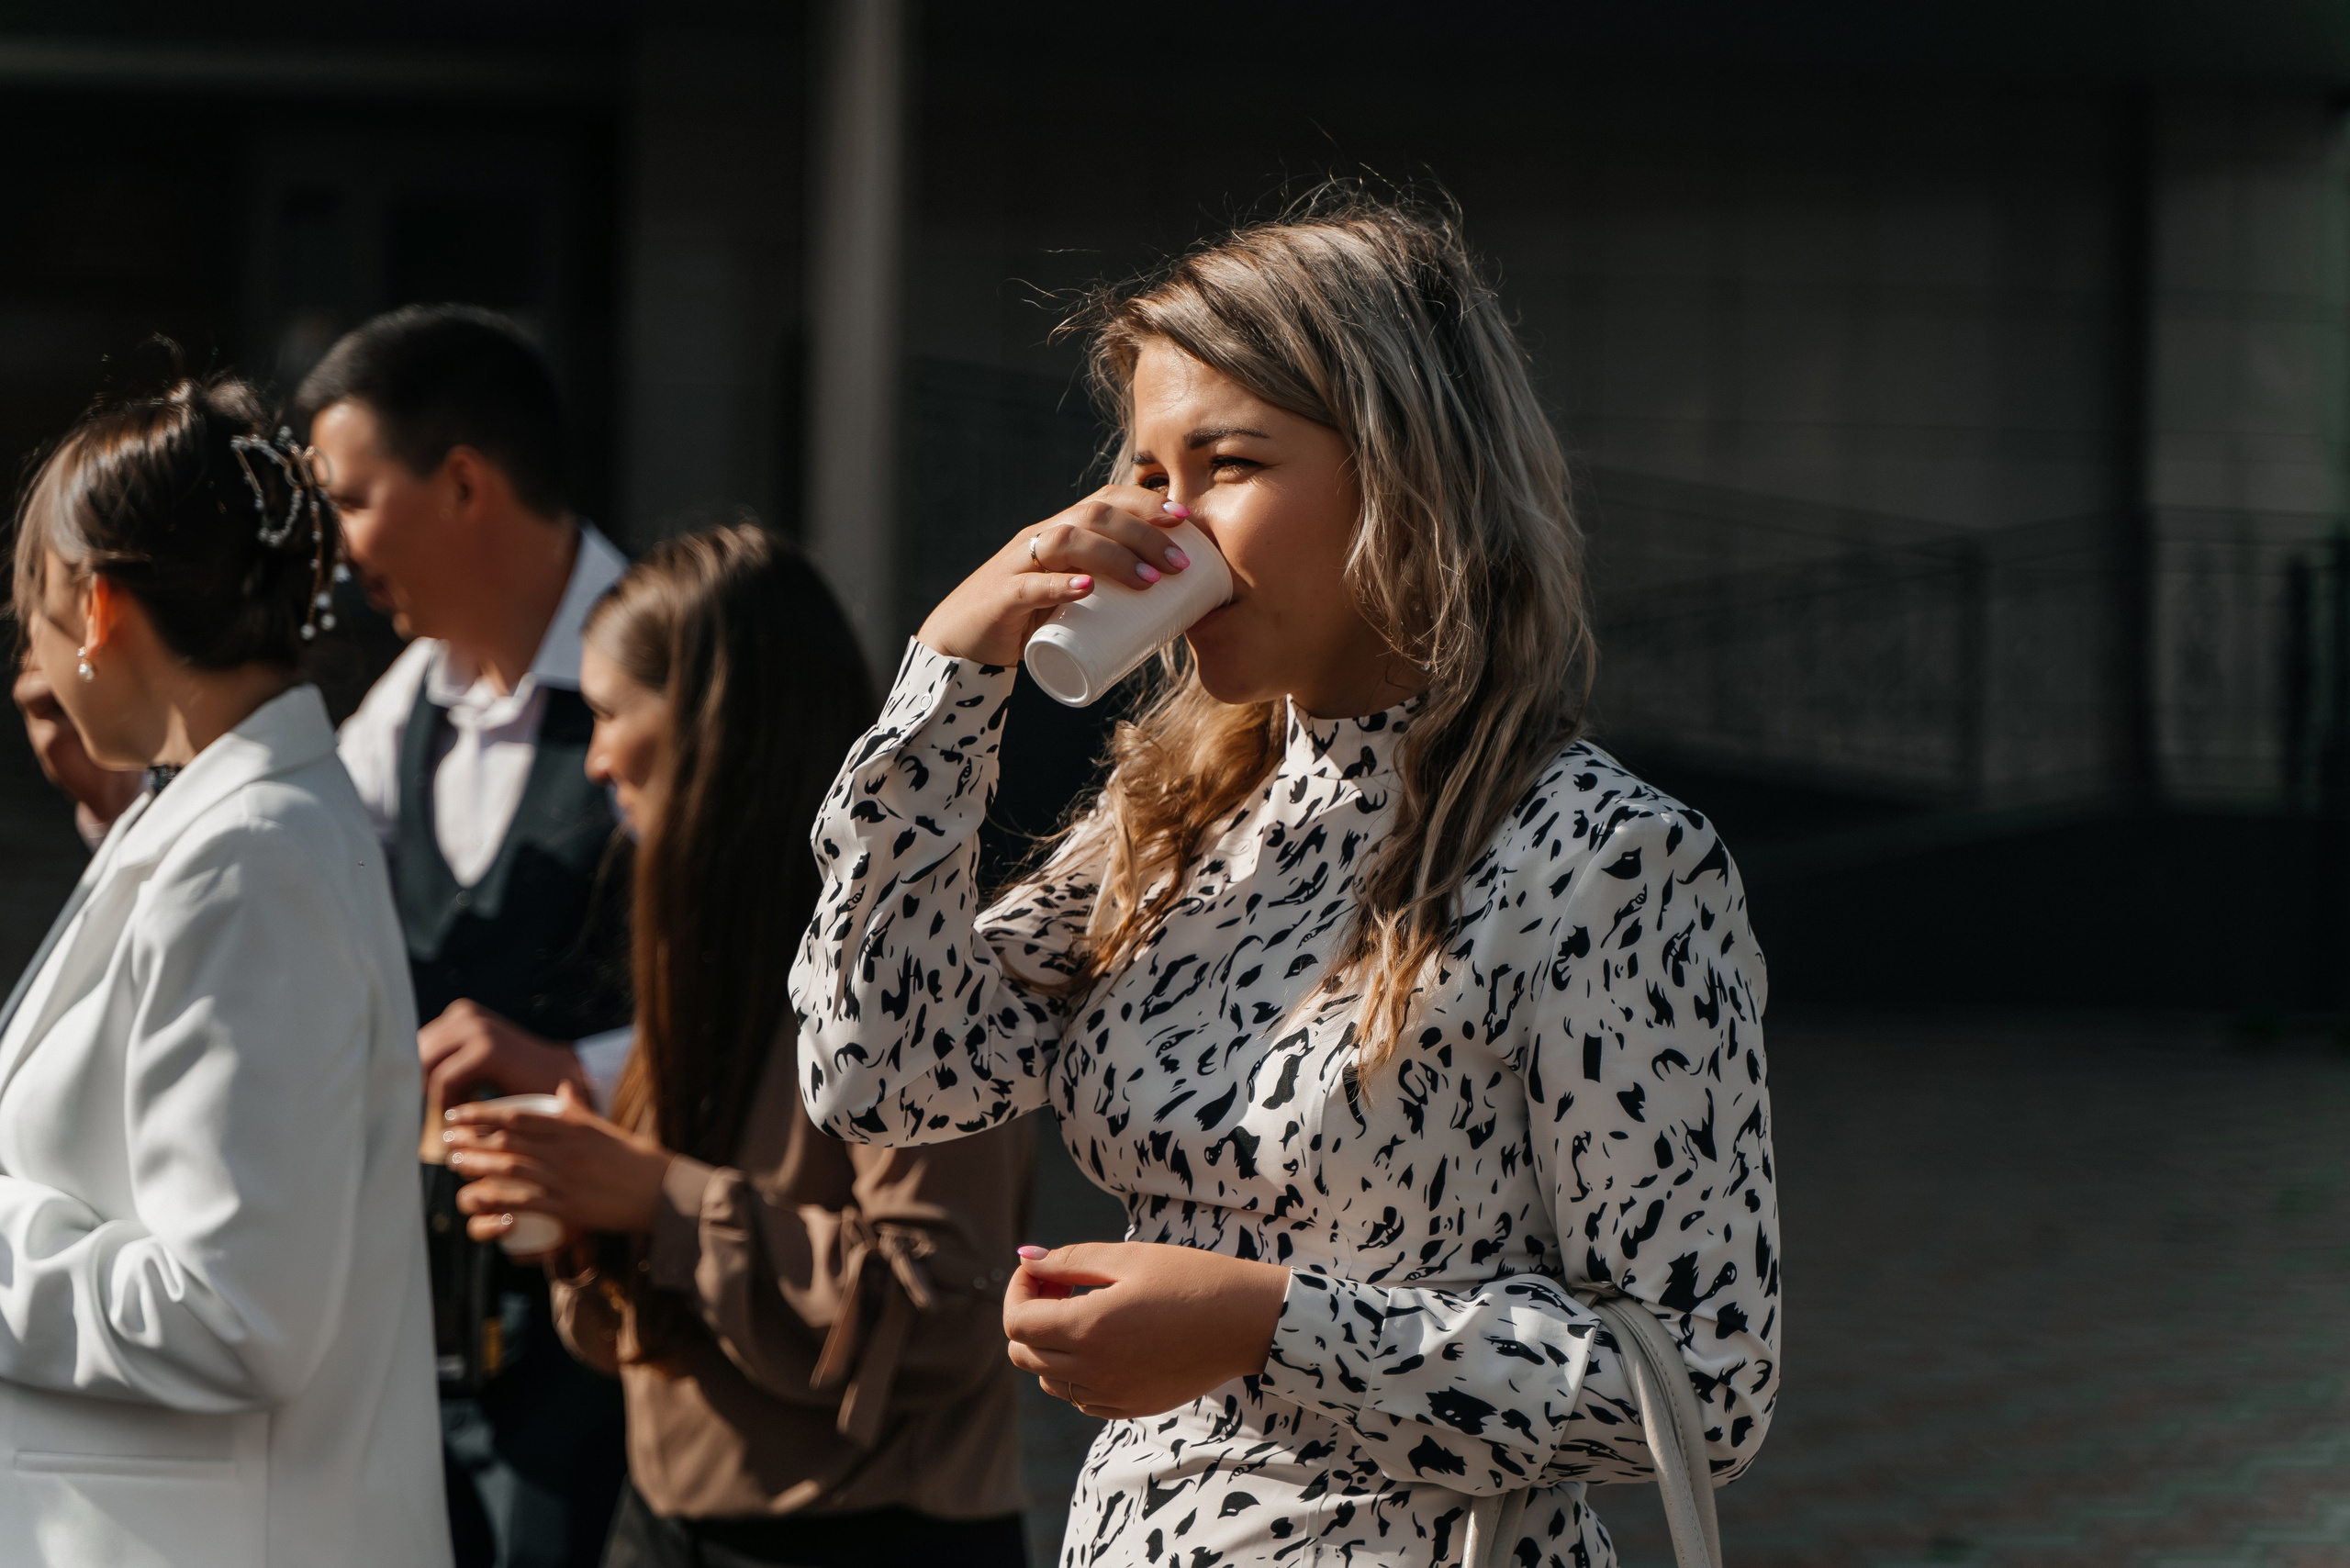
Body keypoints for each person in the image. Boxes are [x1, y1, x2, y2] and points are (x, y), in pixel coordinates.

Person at [790, 192, 1782, 1568]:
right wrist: (952, 678)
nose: (1164, 528)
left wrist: (1264, 1324)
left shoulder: (1610, 861)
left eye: (1228, 463)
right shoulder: (1177, 823)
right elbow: (880, 1071)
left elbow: (1701, 1385)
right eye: (1146, 475)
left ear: (1407, 472)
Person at [442, 523, 1031, 1568]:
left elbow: (944, 1308)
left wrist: (656, 1198)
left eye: (613, 712)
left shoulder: (892, 953)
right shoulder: (697, 936)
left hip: (869, 1541)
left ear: (717, 728)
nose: (595, 757)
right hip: (664, 1522)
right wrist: (584, 1204)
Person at [0, 375, 449, 1567]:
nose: (28, 665)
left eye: (27, 616)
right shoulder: (217, 817)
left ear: (96, 609)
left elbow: (235, 1314)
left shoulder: (250, 852)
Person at [299, 306, 630, 1568]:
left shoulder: (666, 661)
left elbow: (776, 991)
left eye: (354, 500)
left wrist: (577, 1073)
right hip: (426, 1305)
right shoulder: (408, 698)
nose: (339, 551)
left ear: (465, 483)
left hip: (611, 1312)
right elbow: (307, 878)